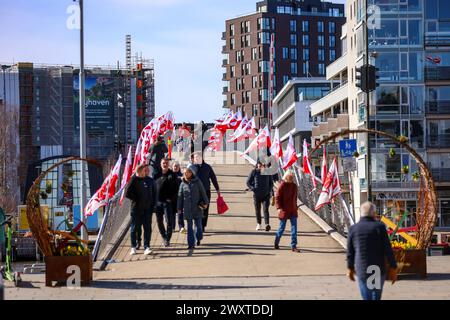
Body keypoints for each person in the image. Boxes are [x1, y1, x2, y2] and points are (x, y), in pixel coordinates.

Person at [347, 201, 398, 300]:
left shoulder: (354, 229)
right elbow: (387, 249)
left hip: (362, 268)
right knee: (376, 297)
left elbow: (350, 251)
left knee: (366, 297)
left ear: (361, 213)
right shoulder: (379, 227)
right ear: (374, 214)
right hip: (377, 268)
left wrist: (350, 268)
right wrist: (393, 267)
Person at [125, 164, 157, 256]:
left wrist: (153, 206)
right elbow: (127, 193)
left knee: (147, 228)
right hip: (136, 208)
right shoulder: (134, 180)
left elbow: (154, 194)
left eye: (146, 170)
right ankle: (133, 247)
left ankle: (147, 247)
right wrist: (137, 199)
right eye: (144, 170)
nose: (145, 172)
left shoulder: (150, 181)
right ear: (139, 171)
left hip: (147, 209)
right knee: (134, 228)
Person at [177, 164, 209, 249]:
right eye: (185, 172)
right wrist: (179, 208)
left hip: (197, 208)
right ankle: (190, 244)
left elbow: (203, 193)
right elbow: (180, 196)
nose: (186, 174)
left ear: (192, 173)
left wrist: (206, 202)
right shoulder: (182, 184)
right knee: (189, 227)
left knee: (198, 227)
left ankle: (198, 237)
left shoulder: (198, 182)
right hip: (187, 209)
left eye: (188, 172)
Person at [154, 158, 179, 247]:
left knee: (169, 221)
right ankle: (164, 236)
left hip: (167, 202)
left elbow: (177, 189)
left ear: (168, 164)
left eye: (166, 163)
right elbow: (153, 188)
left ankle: (167, 239)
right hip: (157, 203)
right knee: (159, 221)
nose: (165, 164)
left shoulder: (172, 175)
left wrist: (171, 199)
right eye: (163, 163)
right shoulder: (156, 175)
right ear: (161, 164)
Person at [193, 152, 220, 232]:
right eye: (195, 158)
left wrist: (217, 190)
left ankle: (203, 225)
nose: (196, 159)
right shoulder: (192, 168)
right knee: (195, 209)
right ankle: (197, 225)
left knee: (205, 209)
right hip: (195, 192)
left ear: (202, 158)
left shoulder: (207, 167)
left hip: (206, 191)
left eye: (198, 157)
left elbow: (213, 178)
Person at [274, 171, 299, 252]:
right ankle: (276, 242)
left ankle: (293, 246)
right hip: (284, 210)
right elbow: (277, 198)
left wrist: (296, 207)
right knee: (281, 228)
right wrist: (278, 208)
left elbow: (295, 198)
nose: (291, 178)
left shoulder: (294, 186)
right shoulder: (282, 186)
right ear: (286, 177)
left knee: (294, 229)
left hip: (293, 210)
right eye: (290, 177)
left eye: (292, 177)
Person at [246, 161, 274, 231]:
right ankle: (259, 224)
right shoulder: (254, 172)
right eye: (260, 164)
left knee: (265, 209)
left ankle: (267, 224)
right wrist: (253, 189)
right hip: (257, 195)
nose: (261, 166)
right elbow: (248, 182)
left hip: (266, 195)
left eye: (262, 164)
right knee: (257, 210)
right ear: (257, 165)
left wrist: (269, 190)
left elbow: (271, 184)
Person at [172, 161, 186, 233]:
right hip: (171, 198)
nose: (175, 167)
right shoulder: (170, 175)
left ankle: (181, 227)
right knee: (172, 213)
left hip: (179, 197)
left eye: (177, 166)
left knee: (180, 213)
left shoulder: (182, 175)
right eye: (174, 166)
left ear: (179, 167)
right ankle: (172, 227)